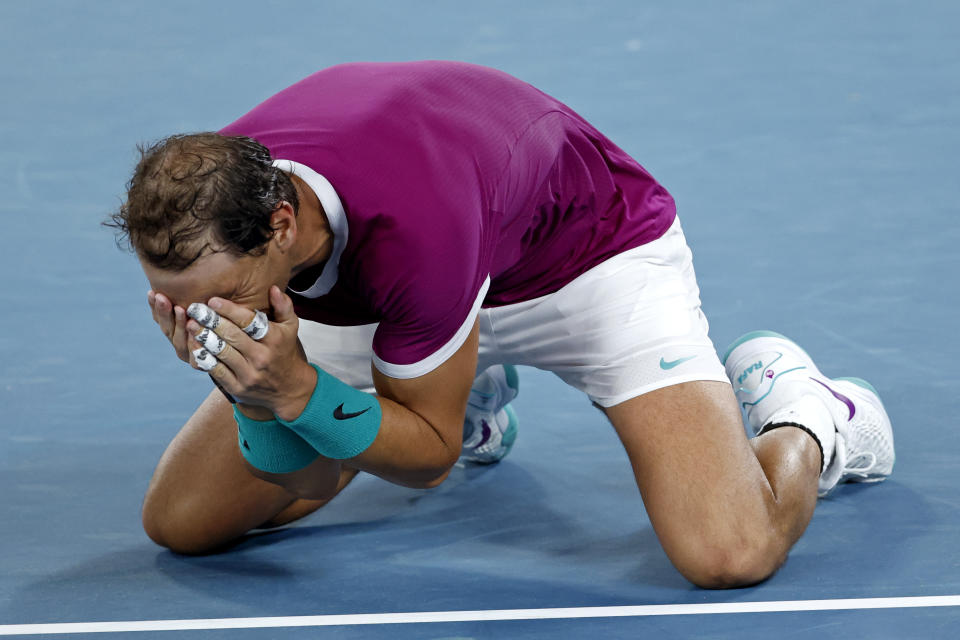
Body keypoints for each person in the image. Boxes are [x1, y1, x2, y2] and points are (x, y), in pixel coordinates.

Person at [108, 61, 895, 589]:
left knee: (730, 550)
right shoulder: (220, 208)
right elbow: (303, 471)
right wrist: (256, 391)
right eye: (179, 300)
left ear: (280, 225)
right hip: (404, 290)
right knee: (184, 522)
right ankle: (462, 375)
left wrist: (301, 393)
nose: (206, 316)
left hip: (585, 266)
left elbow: (427, 463)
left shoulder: (415, 223)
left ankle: (813, 412)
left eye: (221, 295)